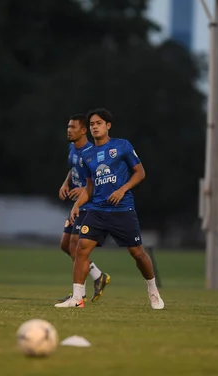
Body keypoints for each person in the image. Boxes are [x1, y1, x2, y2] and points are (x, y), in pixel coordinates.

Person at [55, 109, 164, 310]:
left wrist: (123, 189)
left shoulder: (122, 146)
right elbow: (89, 187)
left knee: (137, 253)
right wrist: (77, 205)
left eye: (98, 123)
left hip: (122, 209)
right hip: (97, 210)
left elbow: (140, 173)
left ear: (108, 126)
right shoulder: (87, 155)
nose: (94, 126)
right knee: (80, 248)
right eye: (92, 124)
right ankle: (78, 298)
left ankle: (153, 291)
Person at [56, 114, 111, 304]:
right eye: (68, 127)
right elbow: (73, 169)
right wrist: (66, 183)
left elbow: (100, 179)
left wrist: (84, 190)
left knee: (75, 246)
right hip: (77, 205)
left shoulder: (93, 151)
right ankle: (97, 276)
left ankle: (80, 295)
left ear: (83, 130)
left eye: (73, 127)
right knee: (65, 245)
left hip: (90, 204)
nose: (69, 130)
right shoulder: (72, 148)